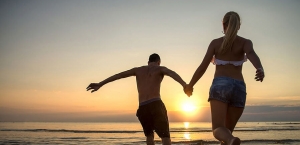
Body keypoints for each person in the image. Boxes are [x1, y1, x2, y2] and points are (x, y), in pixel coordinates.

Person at [184, 11, 265, 145]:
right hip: (239, 88)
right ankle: (231, 139)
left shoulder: (216, 43)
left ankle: (232, 139)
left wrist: (190, 85)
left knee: (218, 130)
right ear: (239, 26)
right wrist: (259, 68)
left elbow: (203, 67)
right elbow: (251, 54)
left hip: (220, 85)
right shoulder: (245, 42)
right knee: (227, 133)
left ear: (223, 24)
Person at [86, 53, 188, 145]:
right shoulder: (160, 68)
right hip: (155, 104)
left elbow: (119, 75)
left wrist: (101, 83)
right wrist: (184, 85)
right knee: (165, 136)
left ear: (148, 62)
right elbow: (172, 73)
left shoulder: (137, 70)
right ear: (158, 62)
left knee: (149, 136)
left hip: (143, 107)